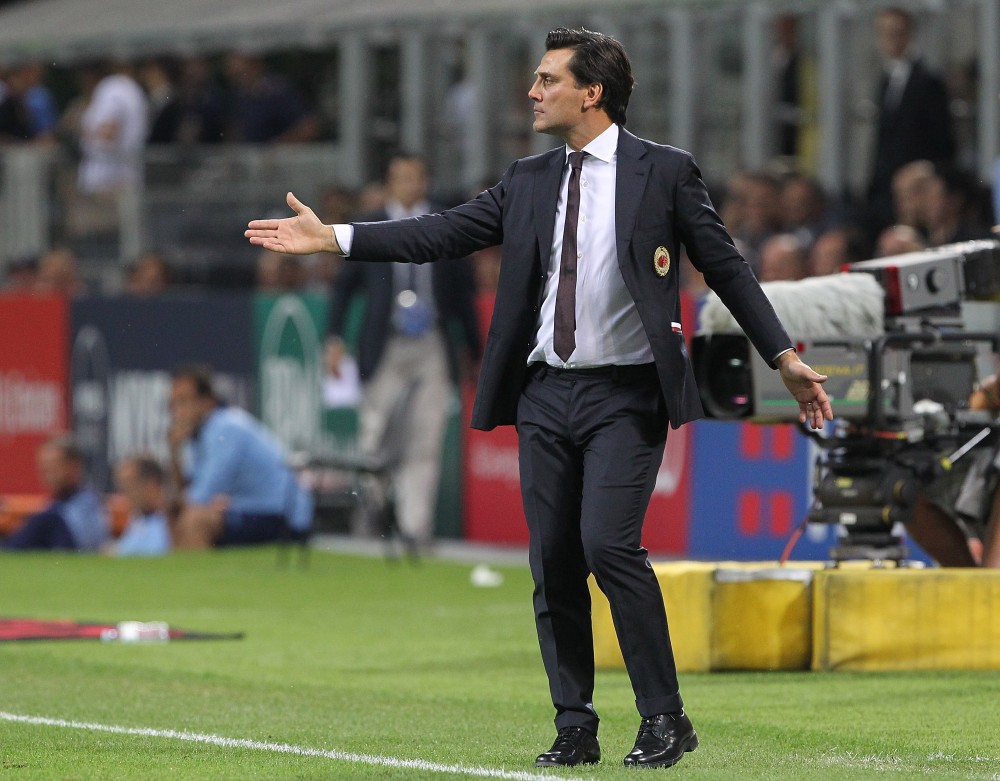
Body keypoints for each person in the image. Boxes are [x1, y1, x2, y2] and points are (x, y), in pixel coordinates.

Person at [246, 27, 832, 770]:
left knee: (607, 544)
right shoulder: (527, 179)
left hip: (626, 394)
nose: (532, 92)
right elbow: (442, 232)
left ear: (591, 93)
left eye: (547, 79)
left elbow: (727, 267)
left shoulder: (666, 172)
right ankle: (575, 722)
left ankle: (664, 716)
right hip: (546, 392)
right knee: (553, 562)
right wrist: (336, 237)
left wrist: (782, 356)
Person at [324, 154, 482, 550]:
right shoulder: (369, 223)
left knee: (425, 438)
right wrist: (334, 338)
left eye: (415, 177)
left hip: (431, 342)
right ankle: (372, 517)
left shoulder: (447, 222)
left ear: (425, 181)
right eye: (401, 178)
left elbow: (463, 292)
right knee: (374, 433)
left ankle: (416, 529)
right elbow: (344, 286)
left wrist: (474, 349)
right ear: (390, 183)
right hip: (386, 342)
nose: (409, 185)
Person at [168, 364, 313, 549]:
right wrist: (174, 452)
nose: (177, 412)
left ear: (206, 402)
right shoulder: (199, 436)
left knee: (197, 521)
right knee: (182, 515)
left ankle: (194, 578)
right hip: (254, 511)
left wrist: (179, 504)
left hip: (284, 517)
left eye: (184, 401)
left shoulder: (225, 428)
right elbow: (187, 492)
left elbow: (198, 499)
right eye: (173, 404)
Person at [865, 7, 956, 238]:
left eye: (895, 33)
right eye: (883, 33)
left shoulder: (928, 82)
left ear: (909, 35)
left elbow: (942, 138)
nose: (889, 40)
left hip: (915, 187)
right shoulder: (885, 81)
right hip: (887, 189)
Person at [904, 374, 1000, 568]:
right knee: (906, 488)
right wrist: (989, 393)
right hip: (985, 457)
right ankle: (969, 588)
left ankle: (991, 588)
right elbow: (978, 403)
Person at [3, 435, 109, 551]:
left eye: (54, 466)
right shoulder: (52, 502)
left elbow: (87, 542)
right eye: (44, 467)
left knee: (47, 520)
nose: (47, 473)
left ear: (74, 465)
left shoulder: (88, 500)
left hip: (78, 557)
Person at [103, 455, 171, 557]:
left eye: (130, 487)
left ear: (151, 485)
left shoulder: (169, 522)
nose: (126, 496)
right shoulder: (138, 520)